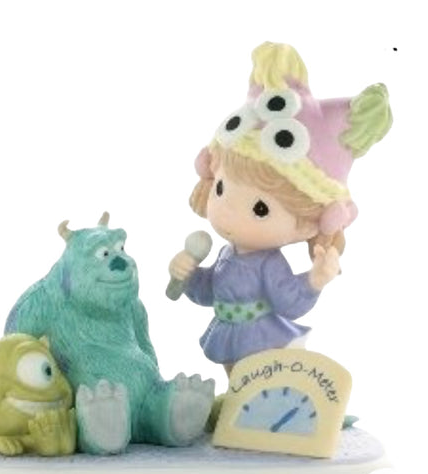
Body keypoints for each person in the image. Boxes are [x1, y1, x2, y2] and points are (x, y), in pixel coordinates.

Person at [168, 42, 392, 377]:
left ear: (307, 223)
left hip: (261, 339)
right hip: (230, 332)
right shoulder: (228, 253)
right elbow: (210, 290)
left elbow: (289, 301)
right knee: (236, 382)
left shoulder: (268, 264)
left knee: (256, 382)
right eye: (221, 188)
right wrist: (187, 274)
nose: (227, 211)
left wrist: (314, 280)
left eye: (260, 208)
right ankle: (237, 405)